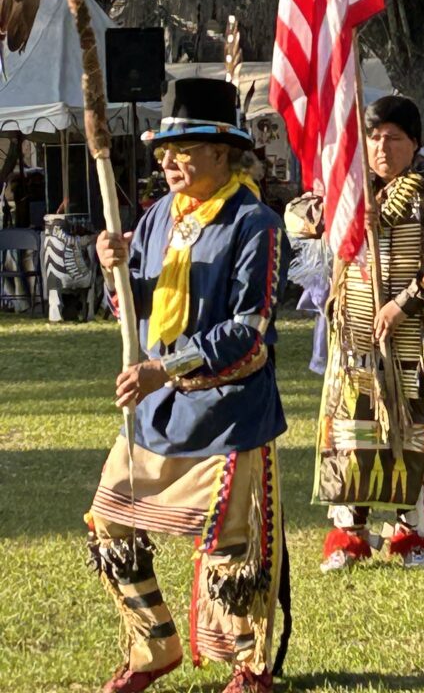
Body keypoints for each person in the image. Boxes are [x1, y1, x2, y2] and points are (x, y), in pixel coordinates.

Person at [86, 79, 291, 693]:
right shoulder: (155, 219)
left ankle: (248, 666)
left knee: (234, 548)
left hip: (230, 411)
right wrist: (114, 271)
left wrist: (162, 370)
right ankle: (154, 648)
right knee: (109, 522)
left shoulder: (255, 222)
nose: (170, 162)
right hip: (158, 411)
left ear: (224, 152)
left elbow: (249, 329)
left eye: (186, 149)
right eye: (164, 152)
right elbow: (139, 308)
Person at [314, 95, 424, 571]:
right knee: (352, 433)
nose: (381, 146)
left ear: (415, 142)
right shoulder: (351, 190)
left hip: (419, 339)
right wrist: (347, 214)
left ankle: (412, 535)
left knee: (413, 434)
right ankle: (348, 535)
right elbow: (298, 215)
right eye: (373, 137)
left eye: (393, 137)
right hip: (356, 339)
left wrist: (404, 302)